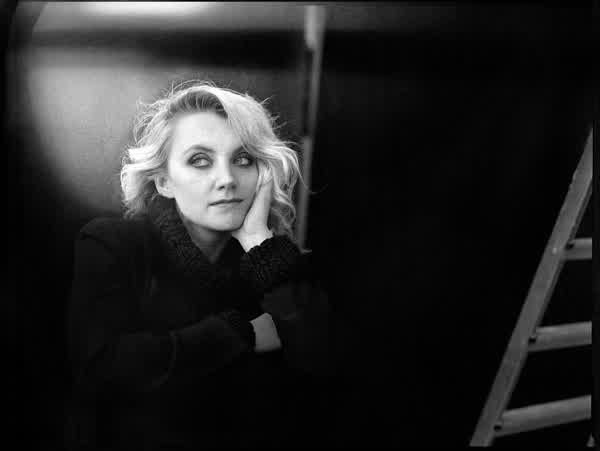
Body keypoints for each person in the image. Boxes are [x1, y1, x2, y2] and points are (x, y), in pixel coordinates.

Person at [65, 81, 333, 450]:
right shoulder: (114, 245)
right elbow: (102, 369)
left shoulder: (273, 261)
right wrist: (241, 332)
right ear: (164, 181)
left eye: (244, 159)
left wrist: (258, 241)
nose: (227, 180)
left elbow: (324, 369)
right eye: (200, 160)